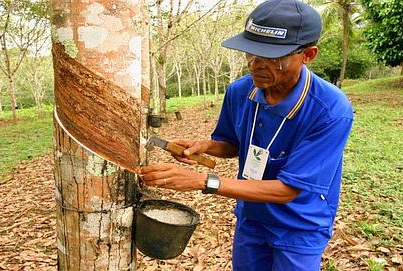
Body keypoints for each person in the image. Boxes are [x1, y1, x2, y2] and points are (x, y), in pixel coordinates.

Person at [138, 0, 353, 270]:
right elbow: (232, 145)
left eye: (272, 57)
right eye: (250, 52)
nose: (255, 65)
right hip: (251, 217)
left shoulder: (330, 110)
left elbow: (288, 190)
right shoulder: (240, 91)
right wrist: (204, 146)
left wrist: (202, 181)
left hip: (299, 226)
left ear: (308, 55)